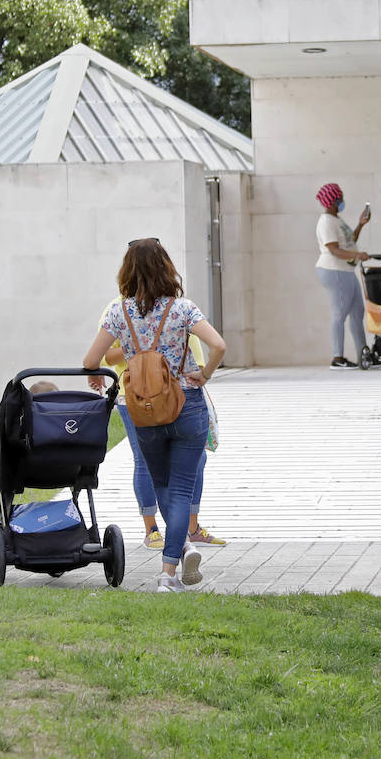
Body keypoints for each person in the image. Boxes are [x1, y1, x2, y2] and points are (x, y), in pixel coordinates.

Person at [83, 239, 226, 592]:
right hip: (186, 404)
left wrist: (93, 375)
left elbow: (92, 360)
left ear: (127, 272)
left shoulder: (119, 313)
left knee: (162, 484)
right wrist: (204, 373)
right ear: (166, 268)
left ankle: (176, 555)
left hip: (143, 409)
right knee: (180, 489)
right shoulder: (184, 309)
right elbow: (219, 345)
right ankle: (168, 573)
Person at [102, 331, 226, 550]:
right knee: (145, 460)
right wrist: (142, 347)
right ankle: (152, 530)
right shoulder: (118, 310)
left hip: (180, 392)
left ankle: (192, 528)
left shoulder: (180, 308)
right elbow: (105, 357)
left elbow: (199, 353)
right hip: (136, 396)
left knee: (198, 458)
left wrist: (201, 373)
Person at [314, 182, 371, 369]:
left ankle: (364, 354)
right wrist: (357, 255)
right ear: (332, 201)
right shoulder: (326, 222)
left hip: (346, 270)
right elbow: (334, 250)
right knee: (339, 313)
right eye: (339, 198)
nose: (342, 201)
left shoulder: (336, 219)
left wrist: (360, 225)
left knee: (357, 312)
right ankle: (337, 358)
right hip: (334, 270)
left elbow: (349, 241)